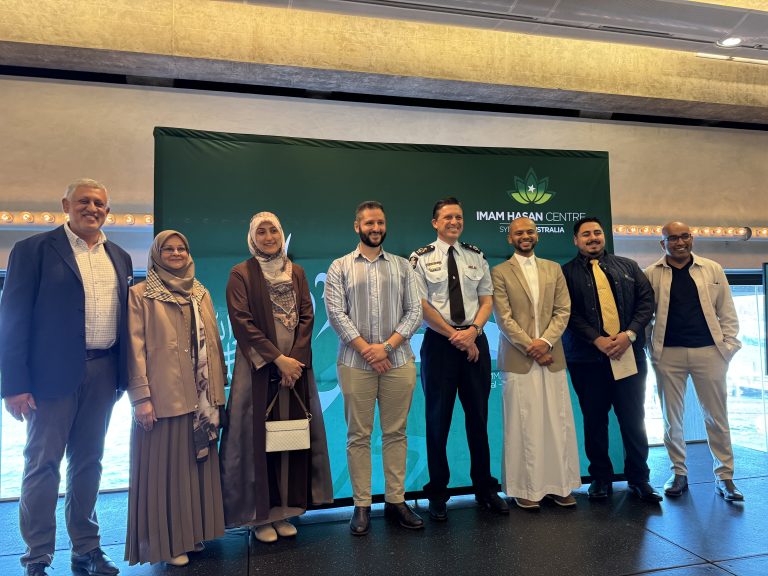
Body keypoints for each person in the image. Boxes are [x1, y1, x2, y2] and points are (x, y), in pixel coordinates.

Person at [0, 178, 132, 576]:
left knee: (90, 462)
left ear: (108, 210)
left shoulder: (120, 256)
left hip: (104, 371)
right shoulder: (33, 250)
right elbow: (13, 320)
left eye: (100, 203)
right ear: (66, 205)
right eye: (84, 201)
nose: (92, 208)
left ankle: (86, 548)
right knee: (42, 464)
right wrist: (14, 386)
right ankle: (37, 556)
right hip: (48, 378)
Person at [219, 212, 333, 544]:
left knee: (289, 436)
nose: (269, 237)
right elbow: (242, 323)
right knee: (256, 440)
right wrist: (278, 360)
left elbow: (307, 316)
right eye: (261, 232)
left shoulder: (296, 272)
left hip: (294, 371)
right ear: (252, 237)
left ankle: (284, 510)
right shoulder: (240, 274)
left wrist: (294, 361)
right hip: (258, 370)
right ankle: (260, 516)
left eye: (274, 230)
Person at [124, 230, 227, 566]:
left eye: (181, 248)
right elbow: (134, 351)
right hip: (163, 398)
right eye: (167, 249)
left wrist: (218, 389)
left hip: (202, 399)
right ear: (156, 255)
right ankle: (166, 543)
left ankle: (191, 533)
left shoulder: (200, 292)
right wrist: (141, 398)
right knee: (164, 472)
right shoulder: (140, 295)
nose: (176, 253)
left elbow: (214, 344)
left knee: (194, 468)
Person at [325, 201, 424, 536]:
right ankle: (362, 505)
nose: (376, 228)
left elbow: (415, 312)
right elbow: (336, 314)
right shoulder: (339, 267)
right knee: (358, 435)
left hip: (398, 361)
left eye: (380, 222)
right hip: (356, 363)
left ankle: (396, 501)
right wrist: (368, 351)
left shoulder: (403, 266)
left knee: (396, 433)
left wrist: (386, 348)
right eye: (369, 223)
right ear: (357, 226)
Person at [410, 197, 509, 521]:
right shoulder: (420, 258)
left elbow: (486, 300)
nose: (454, 221)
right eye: (447, 217)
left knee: (478, 418)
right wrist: (456, 336)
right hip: (440, 344)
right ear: (435, 223)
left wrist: (473, 332)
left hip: (474, 342)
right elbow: (421, 305)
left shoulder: (476, 255)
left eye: (459, 217)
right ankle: (438, 493)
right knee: (437, 421)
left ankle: (485, 488)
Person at [561, 216, 662, 503]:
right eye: (586, 234)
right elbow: (567, 313)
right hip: (587, 359)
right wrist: (597, 339)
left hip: (628, 354)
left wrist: (629, 334)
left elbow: (646, 302)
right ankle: (600, 479)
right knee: (594, 420)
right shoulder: (565, 273)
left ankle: (639, 479)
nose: (593, 238)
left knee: (633, 418)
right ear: (576, 240)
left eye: (597, 232)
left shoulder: (628, 266)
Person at [644, 221, 743, 501]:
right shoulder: (651, 274)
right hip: (668, 354)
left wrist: (729, 347)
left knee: (717, 417)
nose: (679, 242)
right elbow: (646, 316)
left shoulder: (712, 269)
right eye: (672, 238)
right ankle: (679, 473)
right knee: (671, 418)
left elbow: (727, 310)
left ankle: (725, 477)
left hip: (709, 352)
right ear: (662, 243)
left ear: (692, 238)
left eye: (684, 236)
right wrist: (651, 350)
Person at [491, 217, 581, 510]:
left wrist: (545, 342)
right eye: (519, 232)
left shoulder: (554, 269)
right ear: (510, 238)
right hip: (519, 359)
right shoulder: (499, 272)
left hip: (552, 357)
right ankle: (525, 488)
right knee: (522, 424)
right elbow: (503, 318)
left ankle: (561, 486)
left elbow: (563, 310)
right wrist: (532, 347)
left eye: (530, 231)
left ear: (537, 235)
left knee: (557, 422)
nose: (525, 236)